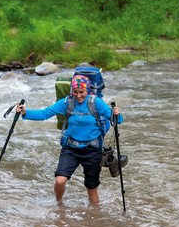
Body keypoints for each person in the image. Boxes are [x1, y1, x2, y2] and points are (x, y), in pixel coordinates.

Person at [16, 75, 123, 203]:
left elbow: (116, 120)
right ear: (72, 91)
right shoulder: (68, 102)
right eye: (75, 92)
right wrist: (25, 112)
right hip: (70, 148)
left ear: (87, 90)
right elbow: (45, 113)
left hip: (92, 150)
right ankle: (59, 203)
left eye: (81, 92)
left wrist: (117, 114)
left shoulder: (96, 102)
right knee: (60, 180)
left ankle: (94, 217)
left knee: (91, 187)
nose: (78, 95)